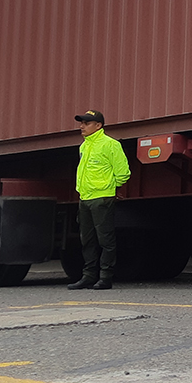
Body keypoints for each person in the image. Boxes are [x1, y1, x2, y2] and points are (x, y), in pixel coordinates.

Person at [68, 109, 131, 291]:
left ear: (98, 125)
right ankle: (88, 276)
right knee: (87, 240)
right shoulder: (84, 146)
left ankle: (105, 277)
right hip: (85, 197)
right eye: (81, 123)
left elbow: (123, 173)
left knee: (105, 240)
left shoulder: (110, 145)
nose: (82, 126)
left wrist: (108, 188)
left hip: (101, 198)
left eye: (86, 123)